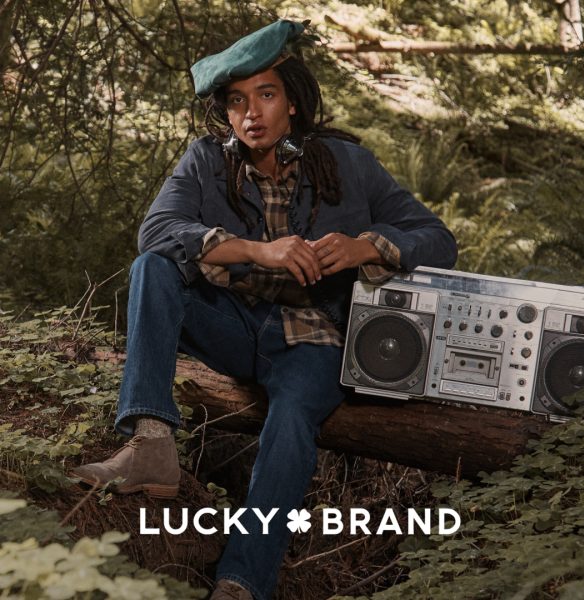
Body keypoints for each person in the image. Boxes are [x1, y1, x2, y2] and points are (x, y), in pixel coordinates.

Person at [72, 19, 458, 600]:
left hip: (313, 340)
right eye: (236, 101)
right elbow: (157, 232)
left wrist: (367, 246)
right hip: (232, 324)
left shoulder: (347, 163)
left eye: (266, 95)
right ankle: (150, 443)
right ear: (225, 113)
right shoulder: (206, 161)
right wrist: (258, 250)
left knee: (292, 420)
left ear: (293, 103)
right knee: (152, 267)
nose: (251, 113)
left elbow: (438, 238)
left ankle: (241, 582)